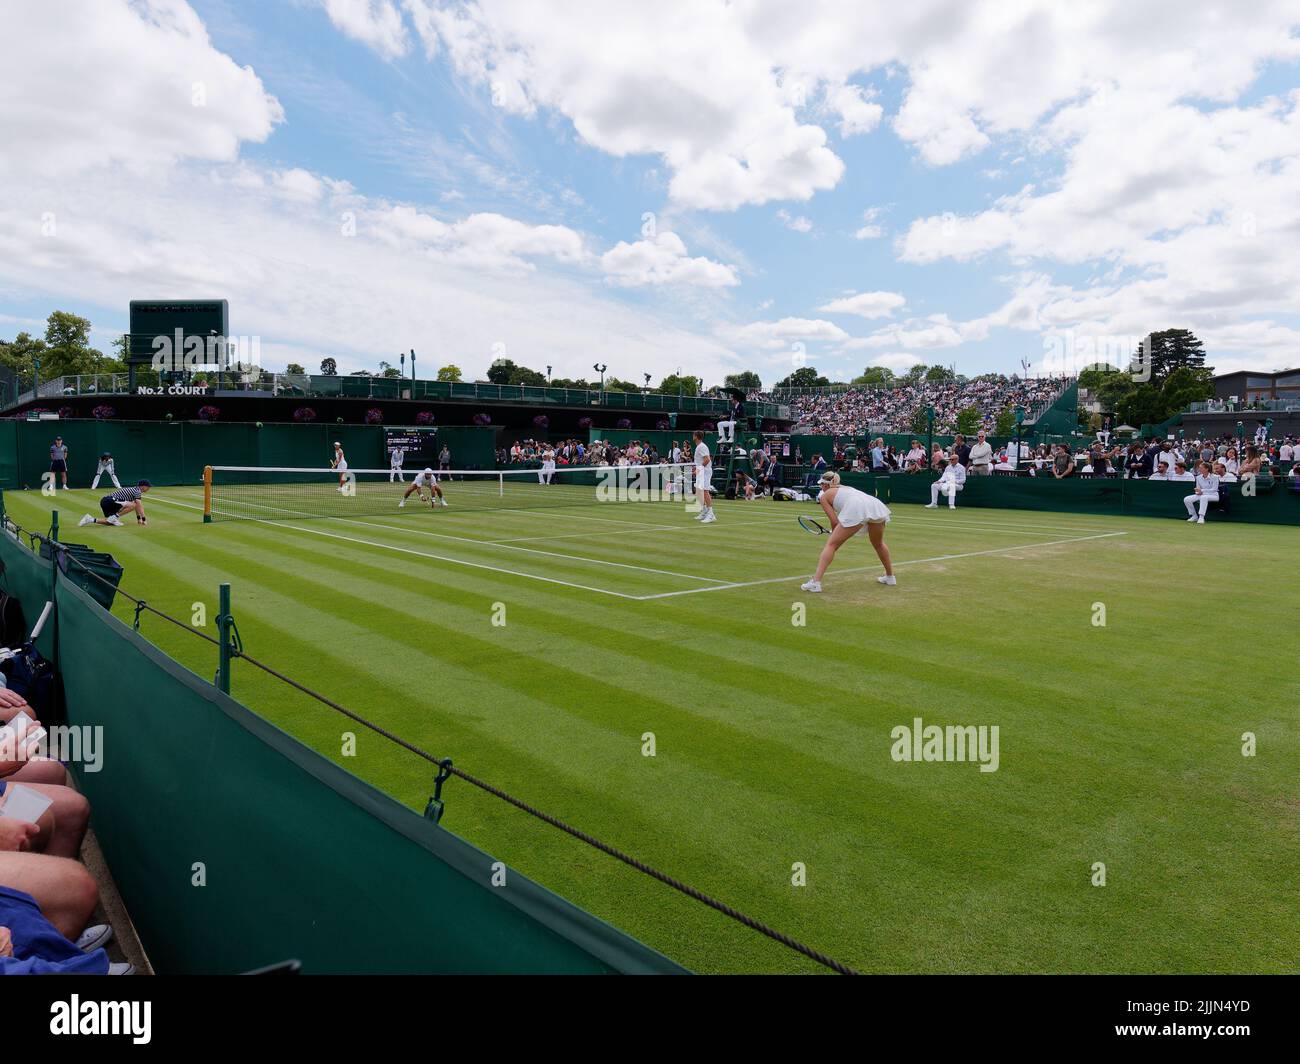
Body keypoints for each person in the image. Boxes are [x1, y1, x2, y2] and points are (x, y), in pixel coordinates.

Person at [800, 472, 895, 592]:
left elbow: (834, 521)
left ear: (826, 484)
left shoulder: (824, 497)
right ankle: (890, 577)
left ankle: (815, 582)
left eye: (822, 484)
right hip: (875, 505)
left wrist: (834, 533)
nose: (821, 487)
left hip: (857, 507)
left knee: (831, 545)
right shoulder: (846, 488)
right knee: (878, 543)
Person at [78, 481, 151, 527]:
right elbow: (138, 506)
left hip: (105, 502)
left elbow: (136, 507)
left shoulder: (134, 490)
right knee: (133, 505)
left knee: (109, 522)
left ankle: (90, 519)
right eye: (148, 487)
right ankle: (114, 517)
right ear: (143, 486)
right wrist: (144, 519)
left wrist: (139, 519)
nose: (149, 488)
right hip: (110, 501)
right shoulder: (137, 491)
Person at [692, 430, 715, 524]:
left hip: (705, 472)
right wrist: (696, 468)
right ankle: (705, 511)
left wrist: (699, 469)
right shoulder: (699, 446)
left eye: (693, 435)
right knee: (699, 492)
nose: (692, 436)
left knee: (705, 492)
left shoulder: (701, 446)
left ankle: (711, 514)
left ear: (696, 437)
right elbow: (701, 460)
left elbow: (707, 459)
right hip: (701, 472)